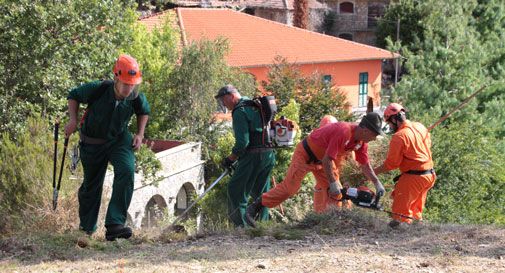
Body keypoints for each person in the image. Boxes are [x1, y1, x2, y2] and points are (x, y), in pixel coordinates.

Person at [64, 54, 150, 241]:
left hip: (119, 139)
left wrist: (140, 133)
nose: (129, 88)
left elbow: (144, 111)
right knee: (91, 185)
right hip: (92, 142)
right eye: (126, 83)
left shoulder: (135, 96)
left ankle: (115, 225)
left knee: (127, 171)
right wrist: (73, 120)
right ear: (116, 78)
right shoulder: (98, 89)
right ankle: (86, 230)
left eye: (132, 84)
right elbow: (73, 95)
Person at [246, 112, 386, 227]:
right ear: (366, 130)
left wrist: (376, 182)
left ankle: (333, 223)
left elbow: (365, 165)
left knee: (336, 194)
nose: (375, 139)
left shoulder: (362, 142)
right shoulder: (344, 131)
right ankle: (256, 206)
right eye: (375, 135)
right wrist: (332, 183)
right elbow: (328, 160)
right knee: (290, 189)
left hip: (324, 161)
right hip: (306, 155)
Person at [215, 84, 276, 227]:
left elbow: (243, 143)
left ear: (231, 96)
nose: (223, 104)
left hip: (254, 156)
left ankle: (243, 227)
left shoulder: (240, 111)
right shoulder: (254, 104)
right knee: (261, 193)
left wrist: (230, 159)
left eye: (223, 100)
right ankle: (262, 225)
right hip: (269, 154)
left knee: (236, 189)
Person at [374, 103, 436, 228]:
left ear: (394, 119)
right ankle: (416, 234)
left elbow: (392, 164)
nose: (390, 126)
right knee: (415, 212)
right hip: (429, 176)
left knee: (400, 215)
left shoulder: (399, 136)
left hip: (414, 178)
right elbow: (427, 145)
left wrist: (373, 171)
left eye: (389, 123)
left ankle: (399, 239)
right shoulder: (420, 126)